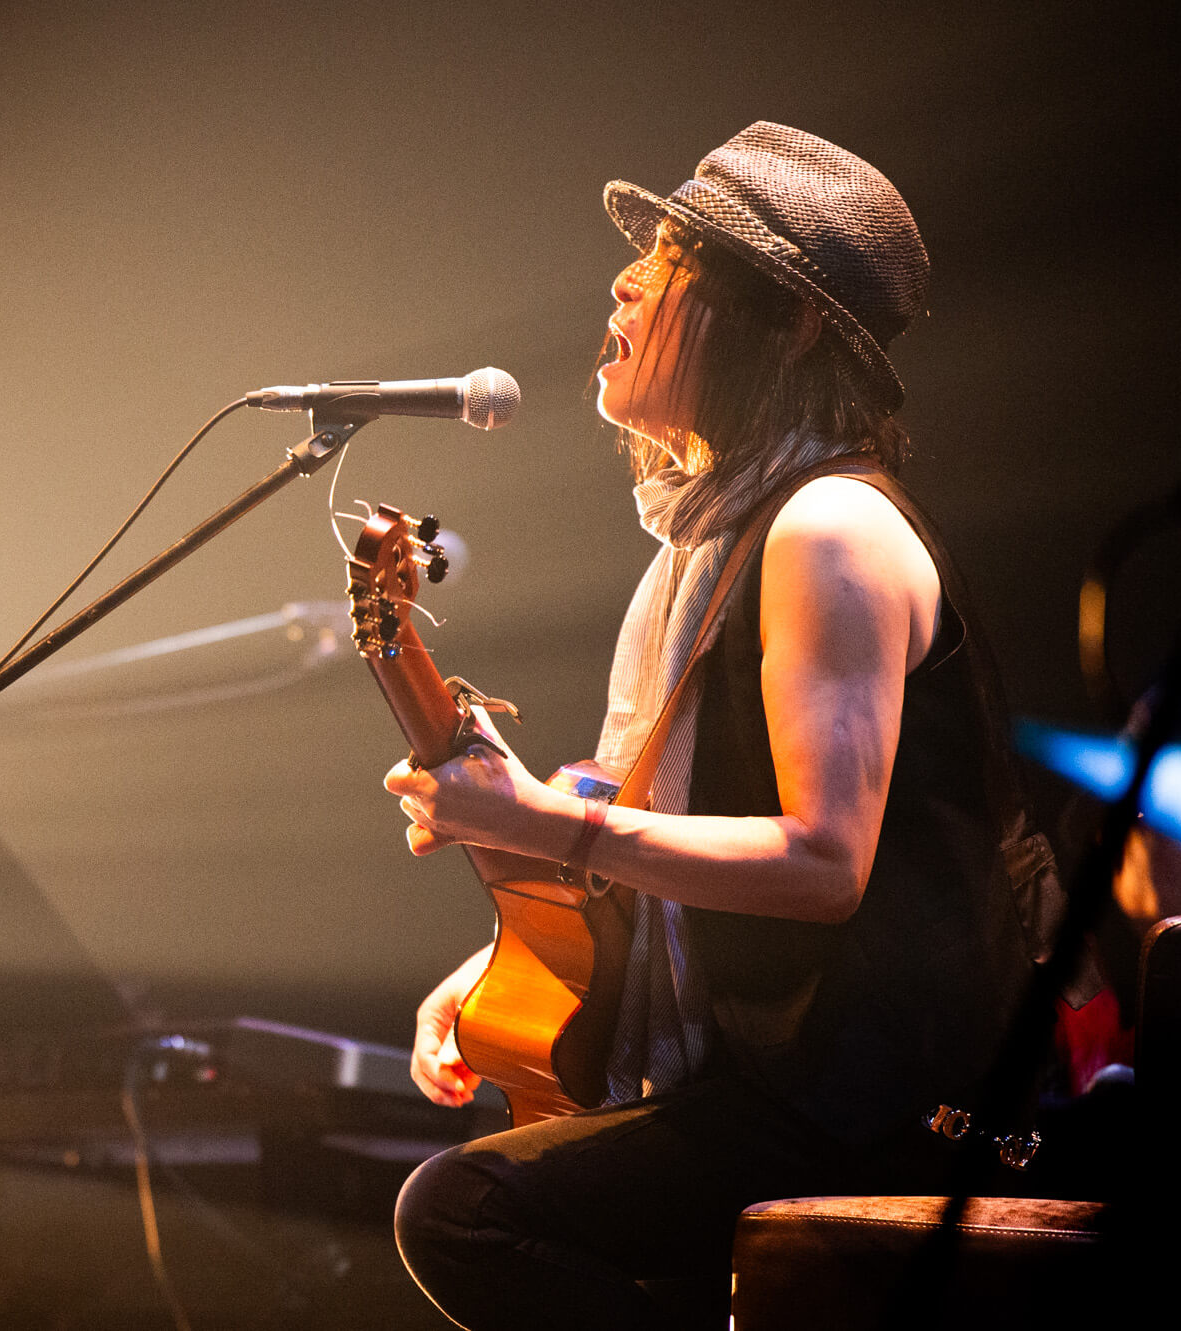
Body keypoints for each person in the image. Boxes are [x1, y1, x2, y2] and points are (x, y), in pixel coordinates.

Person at [384, 123, 1066, 1330]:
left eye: (672, 260)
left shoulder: (827, 529)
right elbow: (656, 822)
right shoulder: (716, 539)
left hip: (885, 1098)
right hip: (783, 1076)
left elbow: (820, 862)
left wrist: (539, 818)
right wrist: (503, 956)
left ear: (789, 325)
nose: (623, 281)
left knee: (463, 1209)